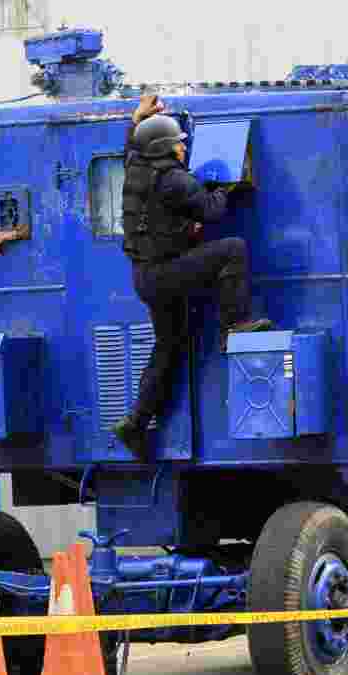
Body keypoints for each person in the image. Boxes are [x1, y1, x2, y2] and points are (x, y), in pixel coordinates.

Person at [113, 94, 272, 460]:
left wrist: (136, 120)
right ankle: (234, 326)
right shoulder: (173, 180)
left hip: (145, 277)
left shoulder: (135, 165)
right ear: (166, 149)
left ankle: (136, 423)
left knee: (169, 344)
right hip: (165, 274)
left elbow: (132, 144)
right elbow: (213, 210)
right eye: (179, 145)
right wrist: (225, 185)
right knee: (233, 249)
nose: (184, 150)